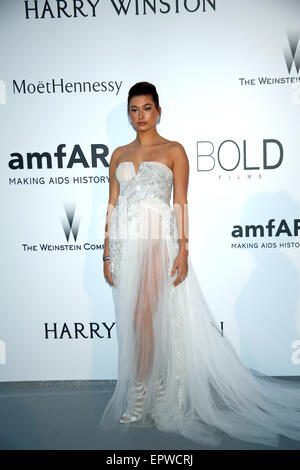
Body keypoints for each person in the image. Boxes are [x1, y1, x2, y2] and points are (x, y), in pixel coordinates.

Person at [100, 81, 300, 448]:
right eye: (134, 109)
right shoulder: (117, 154)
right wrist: (107, 252)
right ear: (129, 114)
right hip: (126, 243)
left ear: (158, 111)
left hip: (158, 242)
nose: (140, 116)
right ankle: (156, 384)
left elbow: (180, 203)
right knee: (136, 319)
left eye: (147, 108)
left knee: (144, 316)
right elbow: (112, 205)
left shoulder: (173, 150)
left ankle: (141, 392)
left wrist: (183, 250)